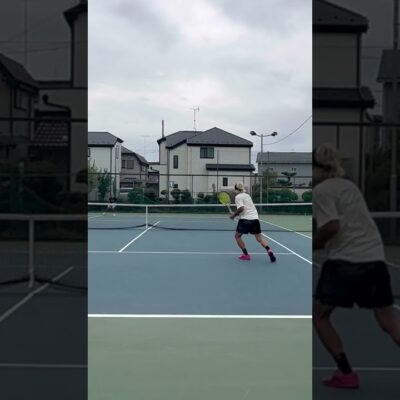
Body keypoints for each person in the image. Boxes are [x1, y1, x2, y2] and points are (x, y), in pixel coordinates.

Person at [313, 144, 400, 389]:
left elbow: (331, 226)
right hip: (374, 259)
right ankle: (345, 374)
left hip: (346, 263)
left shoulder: (321, 191)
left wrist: (313, 245)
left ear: (316, 168)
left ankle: (346, 373)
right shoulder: (349, 186)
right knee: (389, 322)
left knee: (320, 315)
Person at [230, 182, 276, 263]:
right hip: (255, 218)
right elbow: (246, 208)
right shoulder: (247, 195)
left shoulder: (238, 197)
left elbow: (241, 208)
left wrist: (233, 215)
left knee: (237, 236)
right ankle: (269, 250)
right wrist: (236, 214)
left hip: (245, 220)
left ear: (236, 189)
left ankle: (246, 255)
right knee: (259, 238)